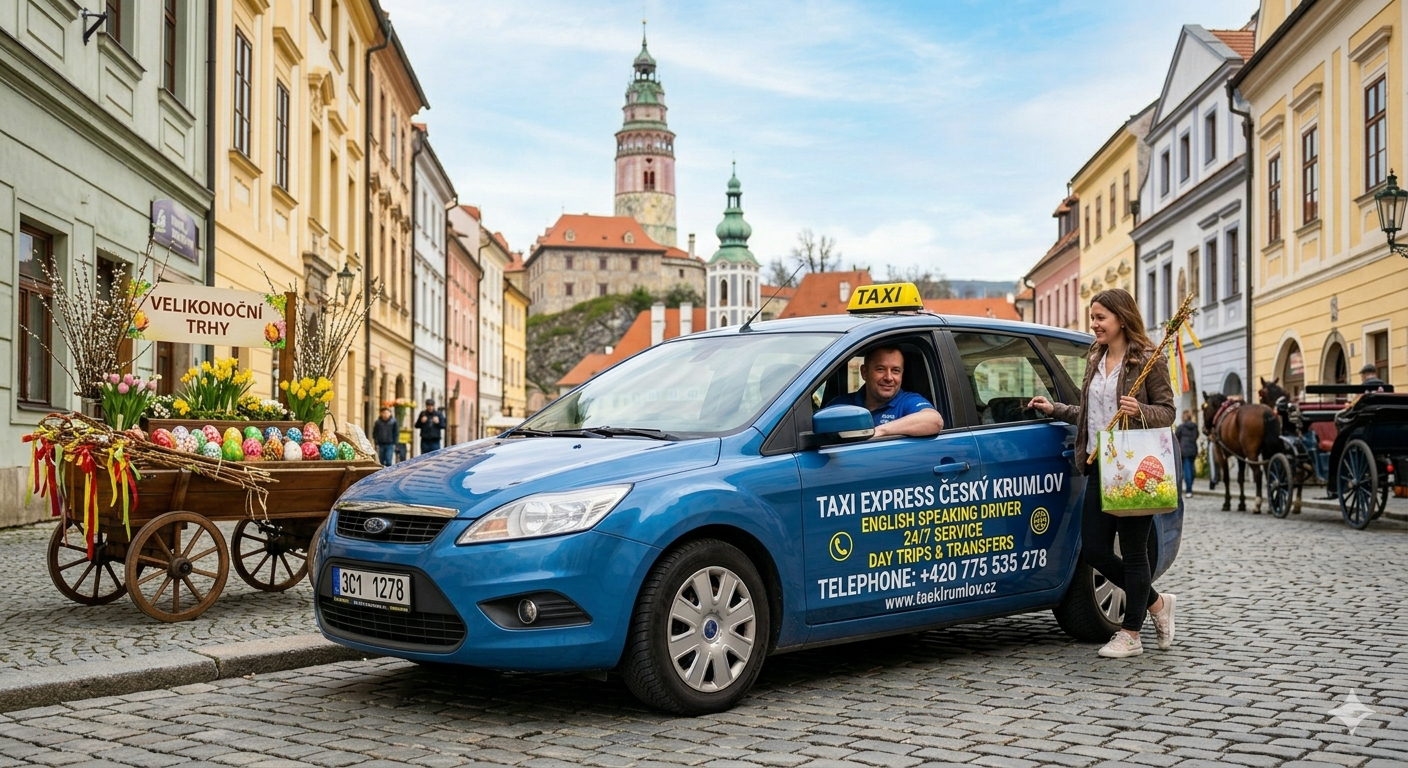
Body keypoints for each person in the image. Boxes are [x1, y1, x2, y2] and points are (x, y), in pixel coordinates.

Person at [1026, 288, 1177, 659]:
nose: (1093, 325)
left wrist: (1139, 409)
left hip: (1132, 466)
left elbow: (1168, 412)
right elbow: (1091, 414)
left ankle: (1130, 634)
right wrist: (1055, 409)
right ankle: (1157, 603)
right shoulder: (1095, 356)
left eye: (1100, 318)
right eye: (1092, 317)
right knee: (1094, 547)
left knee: (1133, 551)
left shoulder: (1146, 359)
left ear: (1121, 319)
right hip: (1097, 462)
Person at [828, 346, 944, 437]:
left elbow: (934, 421)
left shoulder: (908, 401)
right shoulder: (841, 405)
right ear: (864, 372)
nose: (889, 377)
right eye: (880, 369)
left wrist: (880, 431)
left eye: (895, 370)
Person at [1175, 410, 1199, 499]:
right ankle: (1190, 486)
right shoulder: (1195, 427)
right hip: (1193, 449)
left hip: (1184, 450)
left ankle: (1189, 490)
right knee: (1191, 469)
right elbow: (1196, 436)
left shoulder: (1181, 427)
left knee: (1186, 470)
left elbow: (1176, 438)